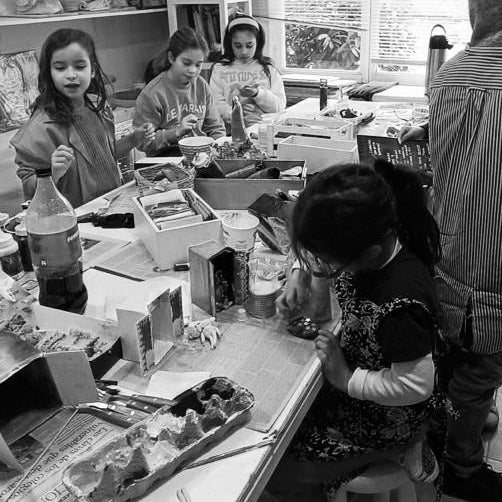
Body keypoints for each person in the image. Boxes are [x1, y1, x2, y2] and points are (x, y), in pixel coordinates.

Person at [267, 161, 445, 502]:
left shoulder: (400, 304)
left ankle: (410, 445)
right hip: (366, 379)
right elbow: (314, 235)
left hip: (391, 415)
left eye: (328, 262)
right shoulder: (376, 230)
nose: (321, 267)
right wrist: (297, 276)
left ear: (368, 254)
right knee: (287, 422)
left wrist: (346, 377)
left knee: (281, 469)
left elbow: (416, 386)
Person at [402, 1, 502, 500]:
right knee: (480, 366)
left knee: (455, 353)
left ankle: (453, 423)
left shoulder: (451, 72)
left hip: (448, 241)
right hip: (492, 255)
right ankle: (460, 465)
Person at [12, 28, 154, 208]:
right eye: (60, 67)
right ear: (49, 73)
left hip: (111, 207)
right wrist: (52, 173)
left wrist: (133, 139)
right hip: (73, 221)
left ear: (92, 70)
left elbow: (105, 157)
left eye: (80, 66)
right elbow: (31, 195)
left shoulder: (97, 107)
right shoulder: (38, 130)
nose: (71, 74)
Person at [133, 26, 226, 157]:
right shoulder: (153, 94)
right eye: (186, 63)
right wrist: (175, 132)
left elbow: (215, 126)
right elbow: (142, 142)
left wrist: (220, 147)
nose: (193, 70)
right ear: (171, 57)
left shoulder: (201, 85)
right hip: (166, 159)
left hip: (203, 156)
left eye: (198, 65)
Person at [209, 13, 286, 128]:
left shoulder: (268, 69)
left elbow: (279, 106)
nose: (244, 51)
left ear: (258, 43)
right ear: (230, 44)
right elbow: (214, 104)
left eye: (249, 45)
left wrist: (258, 94)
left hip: (262, 131)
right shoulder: (220, 68)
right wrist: (236, 116)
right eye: (238, 46)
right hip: (229, 133)